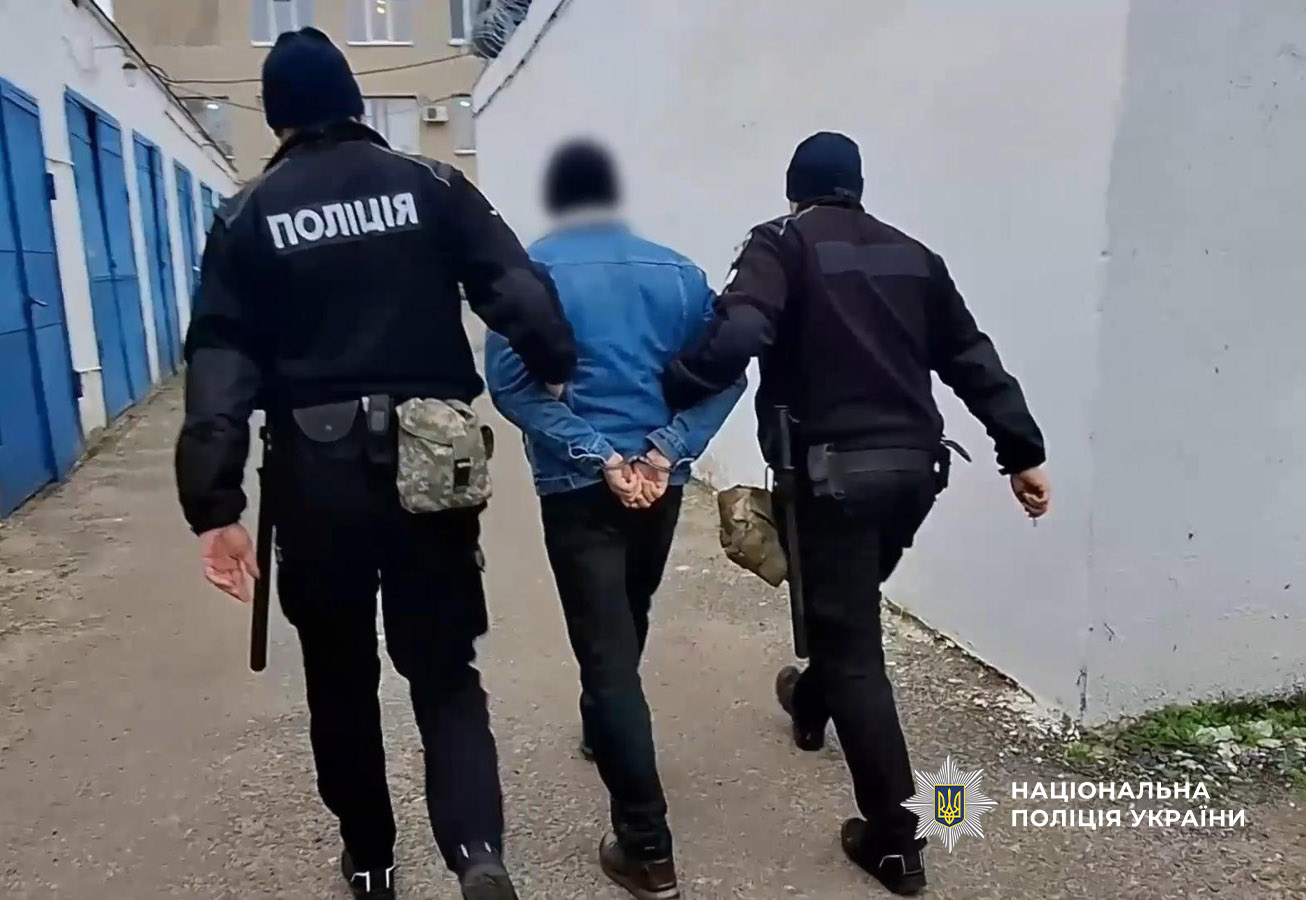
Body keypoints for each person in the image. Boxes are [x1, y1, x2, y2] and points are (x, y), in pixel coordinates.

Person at [174, 29, 576, 900]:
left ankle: (370, 863)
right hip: (431, 466)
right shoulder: (431, 184)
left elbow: (220, 360)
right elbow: (513, 285)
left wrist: (215, 505)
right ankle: (478, 857)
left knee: (340, 679)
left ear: (276, 119)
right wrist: (553, 357)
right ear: (356, 103)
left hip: (315, 478)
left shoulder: (248, 215)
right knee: (445, 672)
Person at [662, 132, 1050, 896]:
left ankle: (896, 841)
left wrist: (676, 384)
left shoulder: (781, 243)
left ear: (794, 191)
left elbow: (740, 331)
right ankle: (809, 701)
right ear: (858, 188)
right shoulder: (915, 255)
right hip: (915, 475)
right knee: (846, 612)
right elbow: (972, 358)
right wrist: (1022, 452)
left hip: (834, 478)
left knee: (853, 649)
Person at [485, 139, 744, 900]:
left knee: (606, 653)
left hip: (578, 485)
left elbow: (510, 387)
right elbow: (728, 374)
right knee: (628, 615)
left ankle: (647, 845)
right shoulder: (679, 273)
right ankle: (604, 730)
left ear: (558, 198)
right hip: (658, 484)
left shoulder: (531, 273)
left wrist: (595, 452)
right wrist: (667, 449)